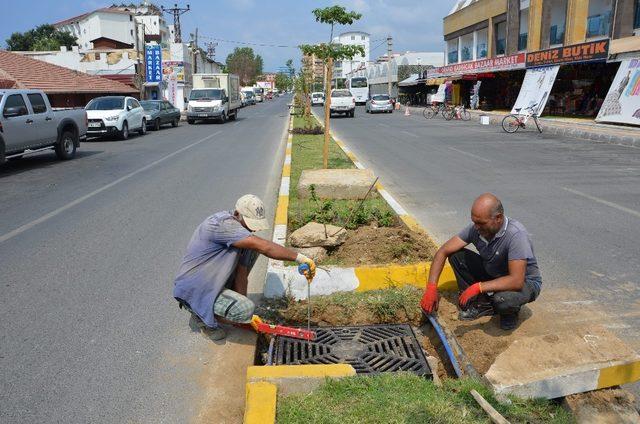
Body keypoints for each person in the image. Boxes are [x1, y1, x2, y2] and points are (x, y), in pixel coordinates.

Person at [173, 194, 316, 340]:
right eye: (249, 223)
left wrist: (243, 312)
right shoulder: (220, 225)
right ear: (237, 214)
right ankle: (201, 316)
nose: (252, 229)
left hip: (213, 281)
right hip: (195, 288)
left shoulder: (243, 234)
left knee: (245, 308)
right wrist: (300, 258)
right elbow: (265, 247)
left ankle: (223, 306)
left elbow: (242, 273)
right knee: (257, 248)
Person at [420, 193, 541, 330]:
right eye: (474, 222)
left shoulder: (515, 235)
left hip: (525, 283)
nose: (476, 227)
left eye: (481, 223)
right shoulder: (476, 229)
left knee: (503, 300)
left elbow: (516, 281)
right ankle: (479, 303)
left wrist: (477, 287)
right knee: (456, 255)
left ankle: (509, 312)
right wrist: (431, 287)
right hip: (494, 273)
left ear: (498, 218)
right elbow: (443, 251)